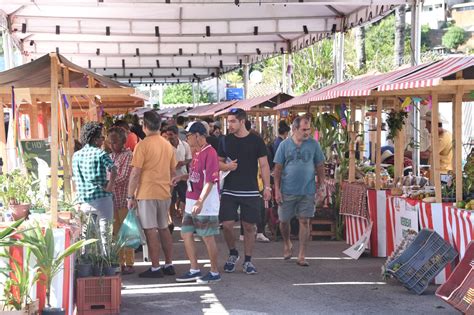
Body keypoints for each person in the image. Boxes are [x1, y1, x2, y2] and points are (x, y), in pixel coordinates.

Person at [218, 108, 271, 275]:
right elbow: (217, 163)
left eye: (233, 121)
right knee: (226, 225)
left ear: (242, 121)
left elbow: (264, 165)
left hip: (250, 189)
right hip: (230, 189)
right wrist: (227, 166)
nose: (230, 125)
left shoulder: (256, 140)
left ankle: (248, 260)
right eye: (229, 121)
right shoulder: (225, 140)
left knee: (249, 226)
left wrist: (267, 187)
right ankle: (233, 253)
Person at [127, 111, 177, 278]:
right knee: (164, 229)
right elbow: (173, 170)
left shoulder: (142, 145)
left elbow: (135, 173)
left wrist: (130, 196)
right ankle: (169, 264)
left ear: (145, 126)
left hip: (147, 192)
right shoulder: (167, 144)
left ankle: (155, 267)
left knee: (150, 230)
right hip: (164, 192)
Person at [173, 122, 221, 284]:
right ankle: (194, 269)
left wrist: (200, 201)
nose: (187, 139)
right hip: (192, 199)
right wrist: (181, 177)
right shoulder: (197, 153)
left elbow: (211, 180)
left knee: (207, 237)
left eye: (189, 135)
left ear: (198, 135)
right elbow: (196, 175)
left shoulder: (210, 153)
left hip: (205, 202)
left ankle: (214, 272)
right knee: (186, 233)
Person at [273, 116, 325, 267]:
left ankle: (302, 254)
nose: (307, 132)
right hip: (287, 190)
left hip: (307, 191)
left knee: (304, 220)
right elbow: (277, 169)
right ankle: (287, 242)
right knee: (283, 221)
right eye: (304, 129)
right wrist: (277, 189)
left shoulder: (314, 145)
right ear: (294, 129)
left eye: (308, 129)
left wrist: (321, 186)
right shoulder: (284, 145)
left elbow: (320, 165)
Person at [72, 122, 117, 249]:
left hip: (85, 201)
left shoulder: (76, 156)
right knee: (105, 235)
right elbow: (114, 169)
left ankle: (88, 264)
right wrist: (109, 187)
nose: (103, 140)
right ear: (95, 139)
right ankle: (106, 263)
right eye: (102, 137)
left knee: (87, 236)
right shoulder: (101, 154)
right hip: (102, 199)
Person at [107, 126, 135, 274]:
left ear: (123, 141)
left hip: (125, 200)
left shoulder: (128, 156)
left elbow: (123, 177)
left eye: (115, 142)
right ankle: (119, 261)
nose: (112, 145)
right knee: (115, 233)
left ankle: (129, 262)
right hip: (112, 201)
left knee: (127, 233)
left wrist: (108, 183)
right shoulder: (111, 156)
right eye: (110, 142)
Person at [167, 125, 192, 218]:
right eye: (168, 135)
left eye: (171, 134)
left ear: (176, 134)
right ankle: (171, 221)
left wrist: (183, 163)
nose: (169, 137)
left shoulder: (185, 145)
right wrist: (173, 166)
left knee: (185, 198)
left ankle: (183, 218)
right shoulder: (166, 146)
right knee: (171, 200)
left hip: (182, 176)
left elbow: (189, 158)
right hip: (170, 178)